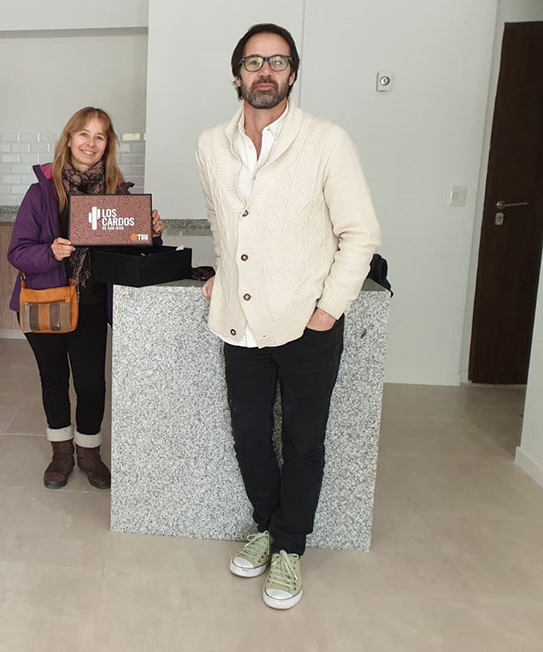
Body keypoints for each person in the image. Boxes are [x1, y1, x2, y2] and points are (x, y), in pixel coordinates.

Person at [196, 24, 381, 609]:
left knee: (303, 441)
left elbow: (360, 233)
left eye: (277, 61)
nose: (265, 72)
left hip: (308, 325)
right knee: (250, 435)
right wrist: (226, 274)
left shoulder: (326, 141)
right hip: (240, 322)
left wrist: (328, 311)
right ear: (237, 75)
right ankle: (268, 527)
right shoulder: (211, 145)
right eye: (253, 62)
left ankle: (290, 547)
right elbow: (225, 223)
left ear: (293, 74)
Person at [8, 106, 165, 490]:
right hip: (46, 302)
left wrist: (153, 234)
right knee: (54, 380)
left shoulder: (118, 194)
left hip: (92, 305)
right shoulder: (41, 193)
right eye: (83, 134)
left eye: (99, 136)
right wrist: (51, 252)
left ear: (108, 145)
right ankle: (61, 454)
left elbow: (134, 253)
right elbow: (17, 251)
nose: (90, 143)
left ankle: (89, 452)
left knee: (92, 385)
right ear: (69, 139)